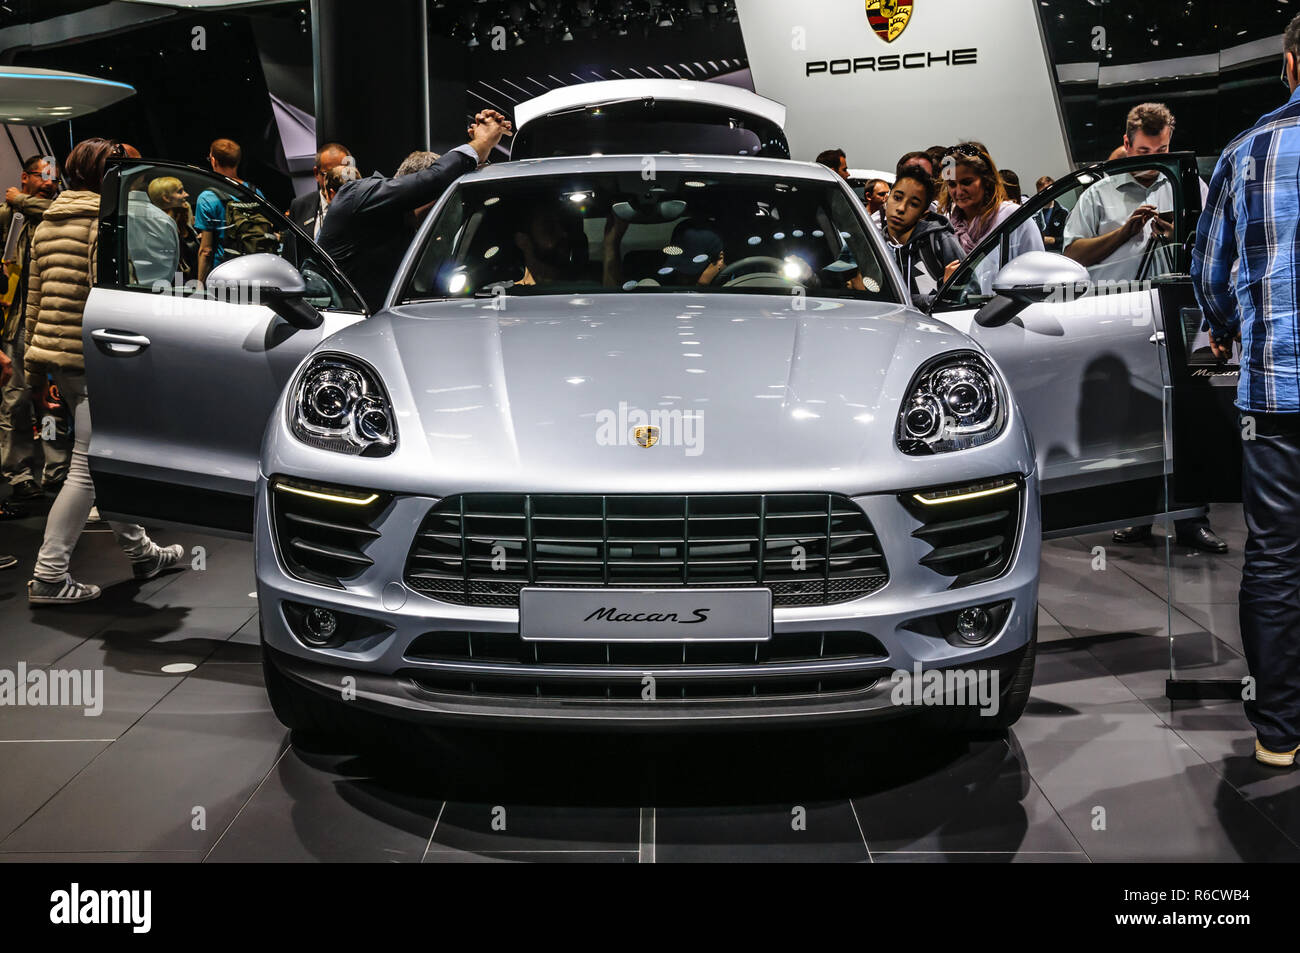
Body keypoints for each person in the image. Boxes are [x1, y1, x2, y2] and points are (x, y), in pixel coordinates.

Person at [1193, 15, 1300, 765]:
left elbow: (1208, 269)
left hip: (1275, 392)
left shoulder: (1250, 150)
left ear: (1291, 66)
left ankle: (1280, 735)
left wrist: (1225, 322)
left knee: (1275, 558)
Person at [22, 138, 184, 605]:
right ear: (110, 174)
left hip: (60, 357)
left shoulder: (49, 219)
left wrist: (39, 367)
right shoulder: (104, 221)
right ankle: (50, 576)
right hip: (97, 360)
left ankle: (143, 553)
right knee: (87, 469)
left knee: (102, 457)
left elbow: (35, 298)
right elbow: (109, 303)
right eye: (131, 170)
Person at [1064, 103, 1224, 552]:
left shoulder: (1189, 184)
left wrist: (1176, 234)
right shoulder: (1100, 191)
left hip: (1183, 313)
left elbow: (1215, 243)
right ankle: (1136, 516)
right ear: (1128, 142)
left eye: (1163, 150)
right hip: (1118, 316)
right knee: (1131, 420)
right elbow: (1073, 255)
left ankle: (1193, 517)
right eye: (1145, 151)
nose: (1155, 161)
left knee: (1190, 416)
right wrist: (1124, 232)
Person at [318, 110, 511, 310]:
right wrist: (482, 143)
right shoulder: (357, 196)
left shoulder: (411, 230)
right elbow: (436, 178)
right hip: (333, 323)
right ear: (421, 193)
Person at [0, 154, 63, 507]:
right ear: (26, 177)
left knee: (53, 401)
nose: (50, 183)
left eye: (54, 178)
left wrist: (21, 199)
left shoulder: (53, 213)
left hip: (52, 321)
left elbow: (53, 209)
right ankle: (19, 472)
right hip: (19, 319)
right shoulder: (9, 216)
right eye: (43, 176)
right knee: (17, 400)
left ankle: (55, 468)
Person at [875, 167, 964, 309]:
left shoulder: (940, 241)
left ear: (923, 213)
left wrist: (949, 290)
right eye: (897, 198)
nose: (901, 208)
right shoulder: (874, 244)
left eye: (914, 204)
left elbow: (967, 296)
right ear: (887, 199)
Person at [941, 142, 1042, 258]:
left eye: (967, 182)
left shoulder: (1012, 216)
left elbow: (1038, 266)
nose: (958, 192)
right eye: (952, 185)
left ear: (987, 180)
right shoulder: (949, 226)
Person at [194, 138, 264, 284]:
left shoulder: (208, 197)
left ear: (213, 160)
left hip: (224, 274)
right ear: (237, 161)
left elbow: (206, 251)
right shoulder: (255, 192)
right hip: (255, 271)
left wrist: (199, 286)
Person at [288, 142, 350, 240]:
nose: (336, 180)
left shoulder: (359, 204)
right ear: (317, 173)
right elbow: (290, 251)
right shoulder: (299, 206)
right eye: (328, 174)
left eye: (342, 173)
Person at [147, 176, 199, 279]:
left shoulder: (184, 211)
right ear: (166, 198)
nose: (186, 194)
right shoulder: (158, 225)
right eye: (180, 192)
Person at [1033, 174, 1068, 250]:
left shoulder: (1063, 212)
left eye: (1047, 191)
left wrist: (1052, 240)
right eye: (1041, 192)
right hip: (1038, 254)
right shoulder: (1033, 213)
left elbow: (1068, 238)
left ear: (1053, 191)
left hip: (1058, 254)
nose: (1044, 195)